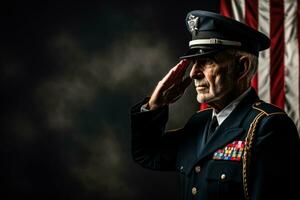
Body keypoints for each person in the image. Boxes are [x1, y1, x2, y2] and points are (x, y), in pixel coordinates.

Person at [130, 10, 300, 200]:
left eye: (205, 62)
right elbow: (147, 154)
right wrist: (155, 104)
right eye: (193, 63)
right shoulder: (199, 122)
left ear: (241, 67)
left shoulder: (269, 127)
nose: (194, 73)